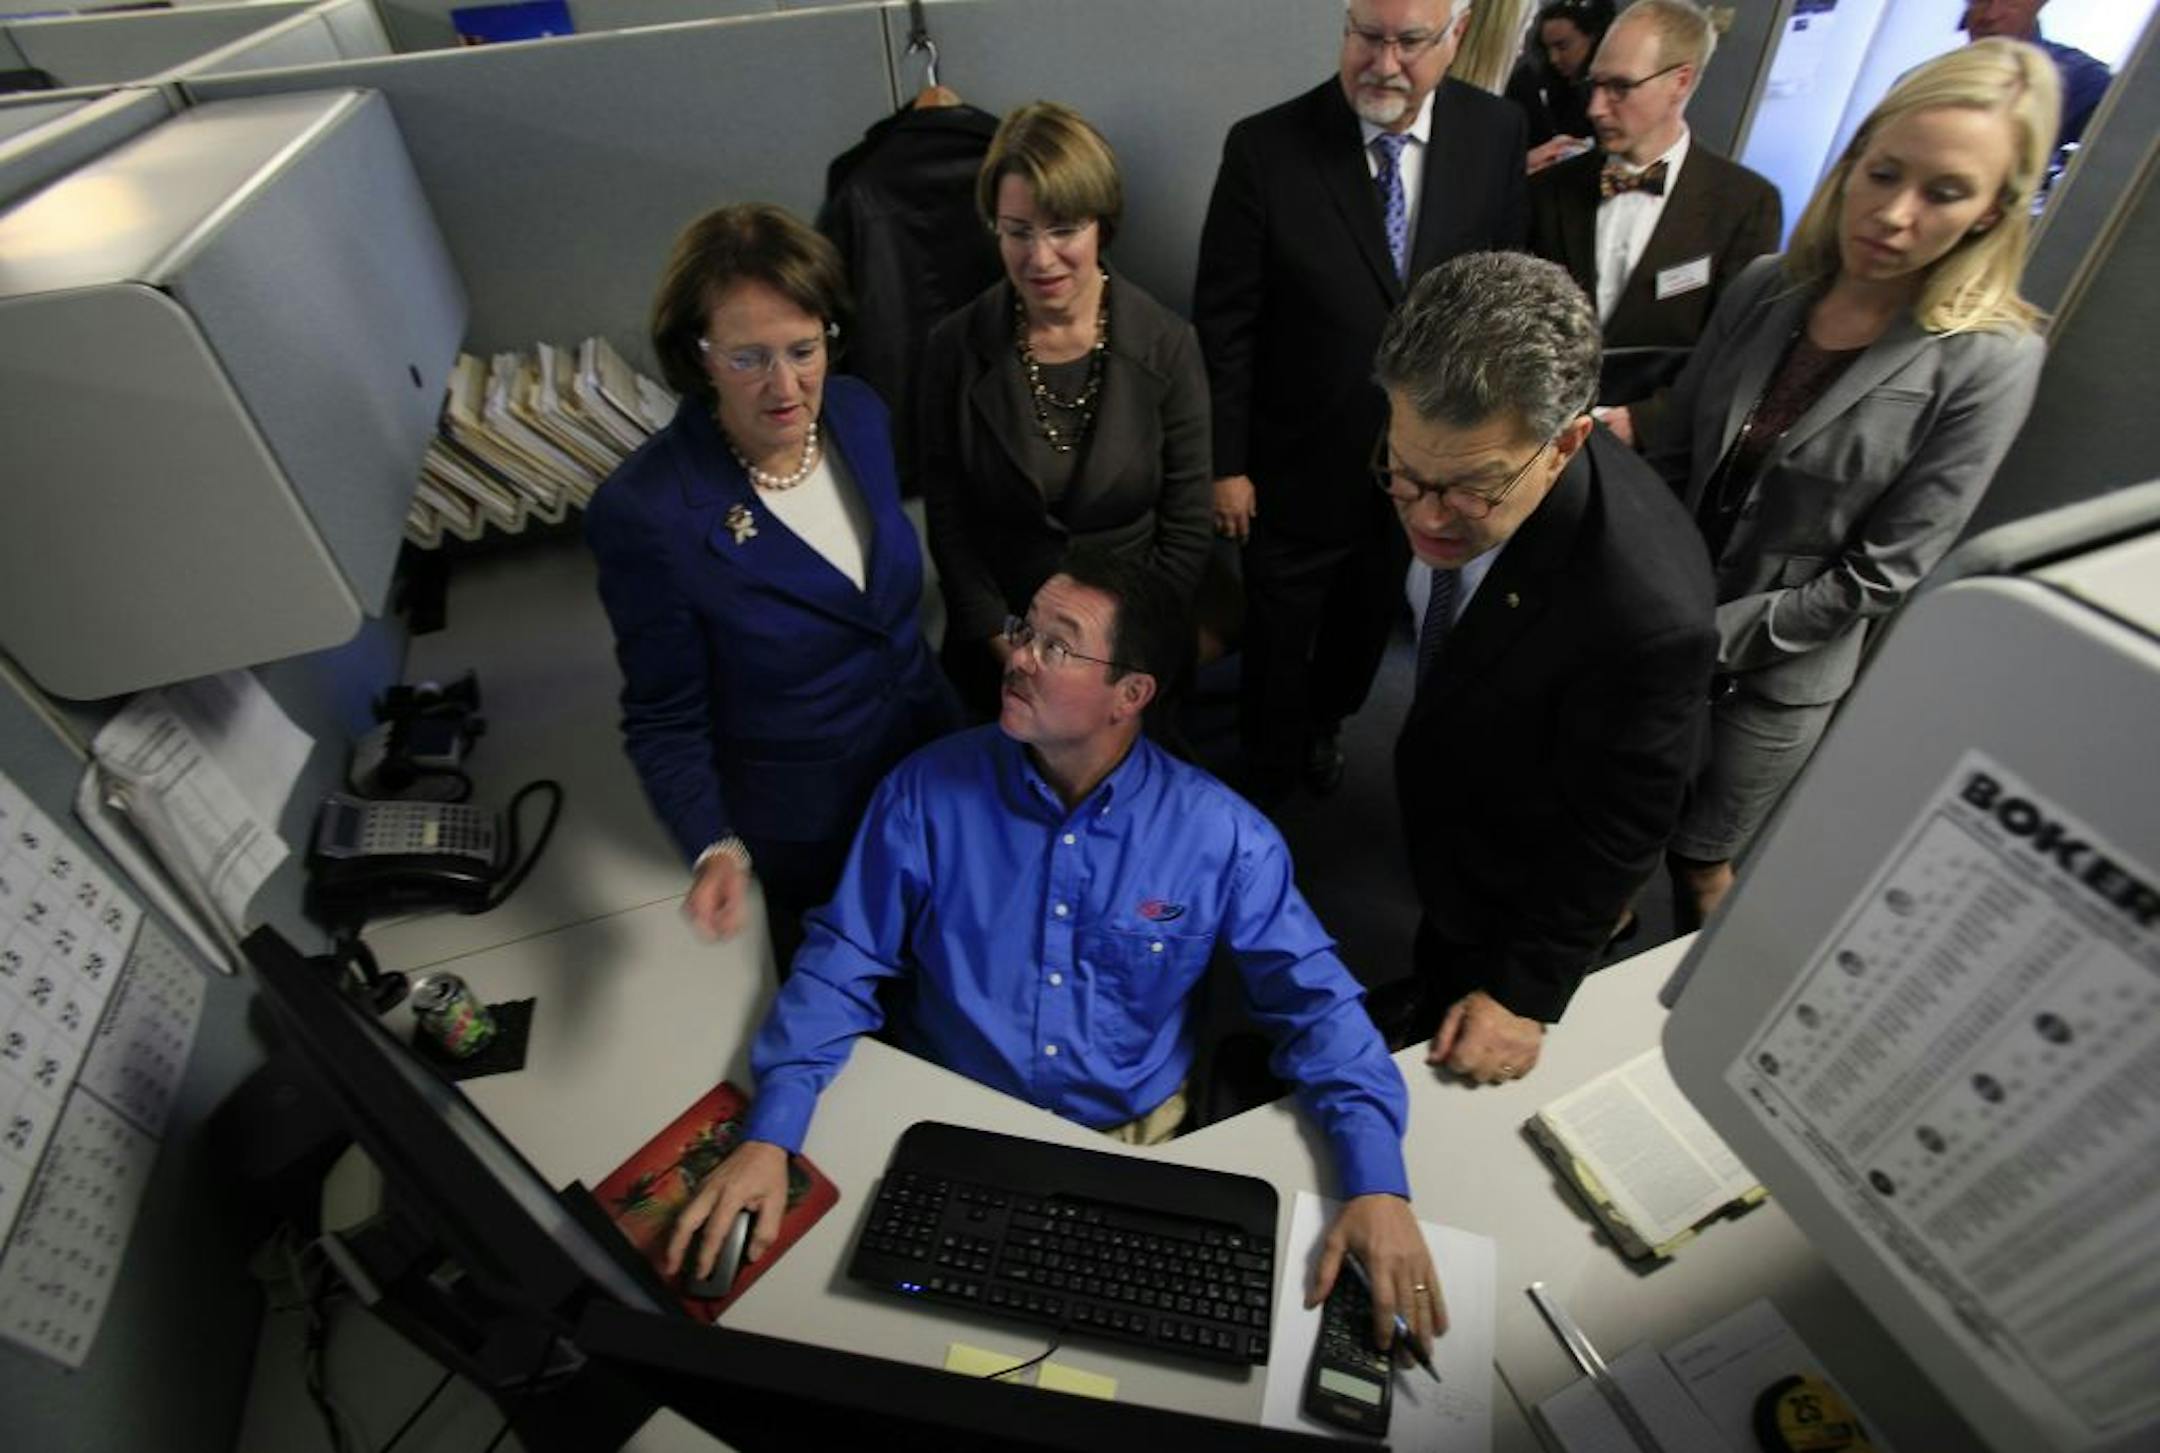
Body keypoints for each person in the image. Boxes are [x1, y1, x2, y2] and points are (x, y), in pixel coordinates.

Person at [665, 548, 1447, 1360]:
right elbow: (840, 961)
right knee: (876, 1355)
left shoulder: (1225, 838)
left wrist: (1378, 1180)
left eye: (1058, 646)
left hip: (1126, 1141)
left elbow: (1317, 1004)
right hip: (946, 1118)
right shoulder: (924, 791)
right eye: (1023, 631)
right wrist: (772, 1128)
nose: (1019, 659)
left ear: (1131, 694)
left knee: (1133, 1371)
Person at [1623, 40, 2057, 927]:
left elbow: (1884, 572)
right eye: (1884, 172)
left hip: (1773, 675)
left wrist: (1710, 635)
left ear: (1990, 213)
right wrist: (1644, 597)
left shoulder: (1991, 358)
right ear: (1853, 159)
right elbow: (1675, 457)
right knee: (1609, 837)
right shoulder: (1765, 287)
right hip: (1657, 627)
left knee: (1700, 864)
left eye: (1943, 193)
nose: (1894, 214)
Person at [1365, 252, 1715, 1082]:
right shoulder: (1438, 438)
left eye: (1469, 491)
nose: (1426, 515)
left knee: (1466, 977)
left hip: (1521, 854)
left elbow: (1619, 829)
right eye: (1405, 475)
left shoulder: (1645, 618)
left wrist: (1523, 995)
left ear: (1567, 443)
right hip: (1465, 768)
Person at [587, 203, 963, 961]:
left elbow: (880, 616)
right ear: (698, 358)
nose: (785, 386)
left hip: (931, 753)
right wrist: (712, 843)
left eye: (804, 348)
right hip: (816, 822)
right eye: (748, 358)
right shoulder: (650, 513)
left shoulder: (858, 414)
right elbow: (664, 715)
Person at [1196, 0, 1527, 807]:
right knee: (1277, 632)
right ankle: (1267, 774)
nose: (1382, 63)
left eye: (1409, 42)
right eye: (1365, 36)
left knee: (1367, 617)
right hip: (1293, 460)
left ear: (1454, 41)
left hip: (1423, 467)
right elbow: (1225, 321)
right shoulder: (1265, 147)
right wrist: (1225, 464)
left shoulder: (1496, 134)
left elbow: (1502, 296)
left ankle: (1326, 725)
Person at [919, 101, 1211, 717]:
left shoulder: (1168, 344)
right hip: (1001, 647)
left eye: (1063, 229)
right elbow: (949, 517)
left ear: (1102, 225)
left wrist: (1113, 661)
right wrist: (1012, 647)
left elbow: (1186, 528)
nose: (1040, 258)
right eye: (1018, 231)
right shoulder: (954, 347)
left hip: (1132, 656)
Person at [1528, 0, 1780, 423]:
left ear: (1680, 82)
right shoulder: (1550, 187)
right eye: (1596, 85)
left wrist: (1646, 422)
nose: (1595, 108)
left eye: (1620, 88)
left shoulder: (1745, 205)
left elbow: (1736, 355)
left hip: (1651, 455)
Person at [1962, 0, 2110, 150]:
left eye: (2010, 2)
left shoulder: (2078, 76)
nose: (1990, 15)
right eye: (1981, 0)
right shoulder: (1943, 76)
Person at [1506, 0, 1616, 171]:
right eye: (1547, 49)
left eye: (1562, 46)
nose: (1554, 59)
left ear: (1593, 36)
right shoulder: (1532, 87)